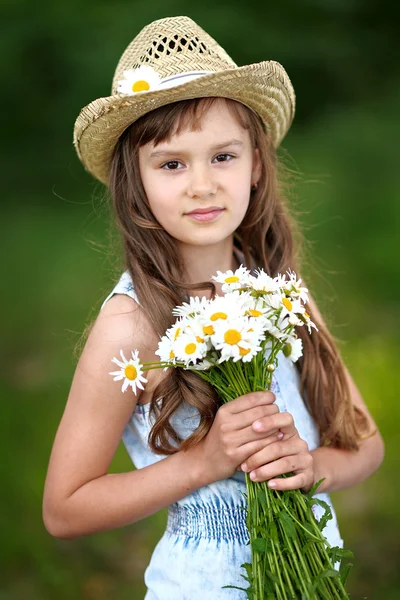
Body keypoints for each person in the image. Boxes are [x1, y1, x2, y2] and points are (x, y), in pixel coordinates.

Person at [42, 15, 384, 599]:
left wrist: (310, 468)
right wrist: (201, 465)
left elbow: (366, 445)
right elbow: (64, 508)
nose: (202, 184)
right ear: (137, 184)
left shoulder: (280, 292)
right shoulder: (133, 322)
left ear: (255, 164)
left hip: (312, 577)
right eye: (172, 164)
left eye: (222, 156)